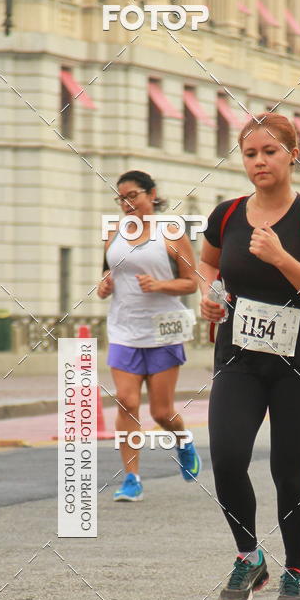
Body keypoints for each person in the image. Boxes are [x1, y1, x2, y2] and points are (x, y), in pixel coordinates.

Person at [199, 112, 300, 600]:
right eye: (250, 153)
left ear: (292, 154)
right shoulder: (227, 214)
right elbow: (208, 265)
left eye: (270, 152)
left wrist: (282, 257)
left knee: (289, 471)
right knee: (228, 458)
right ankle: (249, 555)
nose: (259, 161)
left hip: (299, 364)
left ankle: (296, 573)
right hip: (239, 357)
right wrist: (210, 296)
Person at [97, 170, 201, 500]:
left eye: (133, 196)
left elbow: (191, 282)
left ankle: (183, 441)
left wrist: (160, 285)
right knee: (126, 402)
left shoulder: (171, 233)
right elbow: (106, 274)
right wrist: (103, 286)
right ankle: (132, 479)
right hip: (123, 329)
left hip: (162, 331)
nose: (127, 203)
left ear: (152, 194)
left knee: (160, 412)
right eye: (121, 198)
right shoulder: (113, 232)